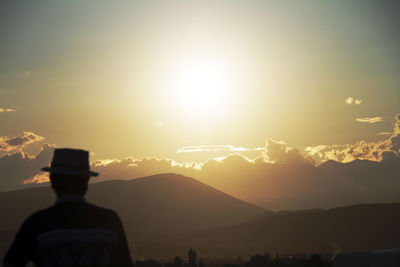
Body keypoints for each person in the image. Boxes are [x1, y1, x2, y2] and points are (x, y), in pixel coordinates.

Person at [3, 148, 132, 267]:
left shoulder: (37, 223)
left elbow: (11, 263)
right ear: (86, 181)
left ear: (53, 180)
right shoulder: (110, 221)